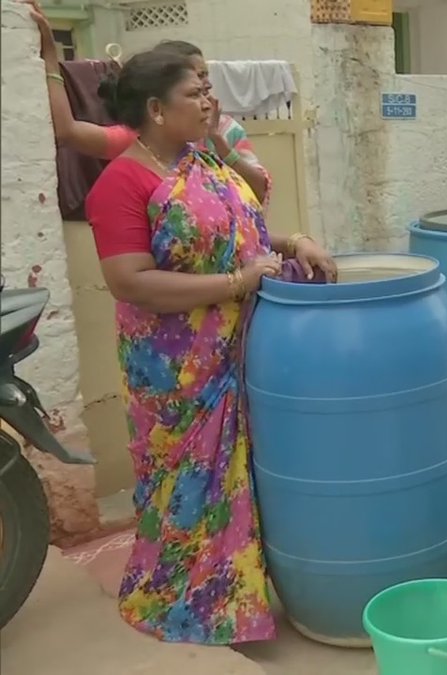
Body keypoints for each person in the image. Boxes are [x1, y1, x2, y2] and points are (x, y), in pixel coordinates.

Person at [84, 49, 336, 644]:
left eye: (208, 91)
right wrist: (234, 284)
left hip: (237, 349)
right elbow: (130, 280)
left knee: (239, 475)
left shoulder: (202, 161)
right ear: (155, 109)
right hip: (175, 372)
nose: (209, 103)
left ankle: (237, 591)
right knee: (187, 483)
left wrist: (294, 239)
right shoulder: (124, 180)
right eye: (195, 93)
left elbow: (237, 231)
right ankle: (180, 599)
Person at [25, 0, 269, 202]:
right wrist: (50, 59)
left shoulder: (227, 133)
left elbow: (259, 193)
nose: (205, 88)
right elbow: (68, 131)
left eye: (204, 76)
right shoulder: (137, 148)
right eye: (192, 89)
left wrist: (220, 143)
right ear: (156, 107)